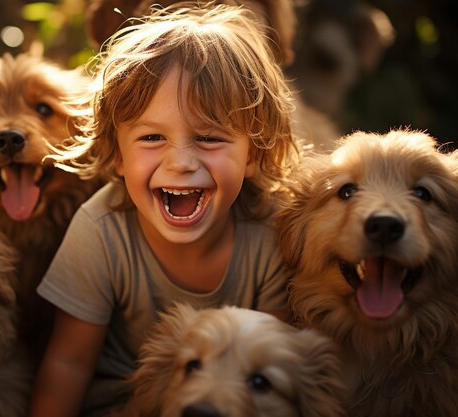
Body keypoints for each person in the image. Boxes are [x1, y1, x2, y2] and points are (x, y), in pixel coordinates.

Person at [29, 3, 299, 417]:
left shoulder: (269, 233)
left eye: (209, 138)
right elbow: (69, 363)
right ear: (117, 154)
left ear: (254, 153)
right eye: (152, 137)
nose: (181, 162)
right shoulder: (100, 231)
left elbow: (279, 368)